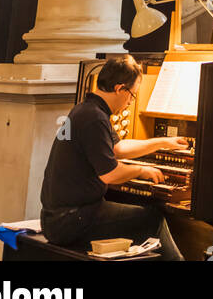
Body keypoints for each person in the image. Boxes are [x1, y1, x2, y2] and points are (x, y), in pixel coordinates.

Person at [40, 55, 186, 260]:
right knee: (152, 219)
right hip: (70, 220)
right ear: (119, 88)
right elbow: (110, 174)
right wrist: (143, 170)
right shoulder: (94, 118)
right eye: (132, 95)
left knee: (139, 211)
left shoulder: (88, 109)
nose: (129, 103)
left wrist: (162, 143)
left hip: (61, 217)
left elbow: (118, 148)